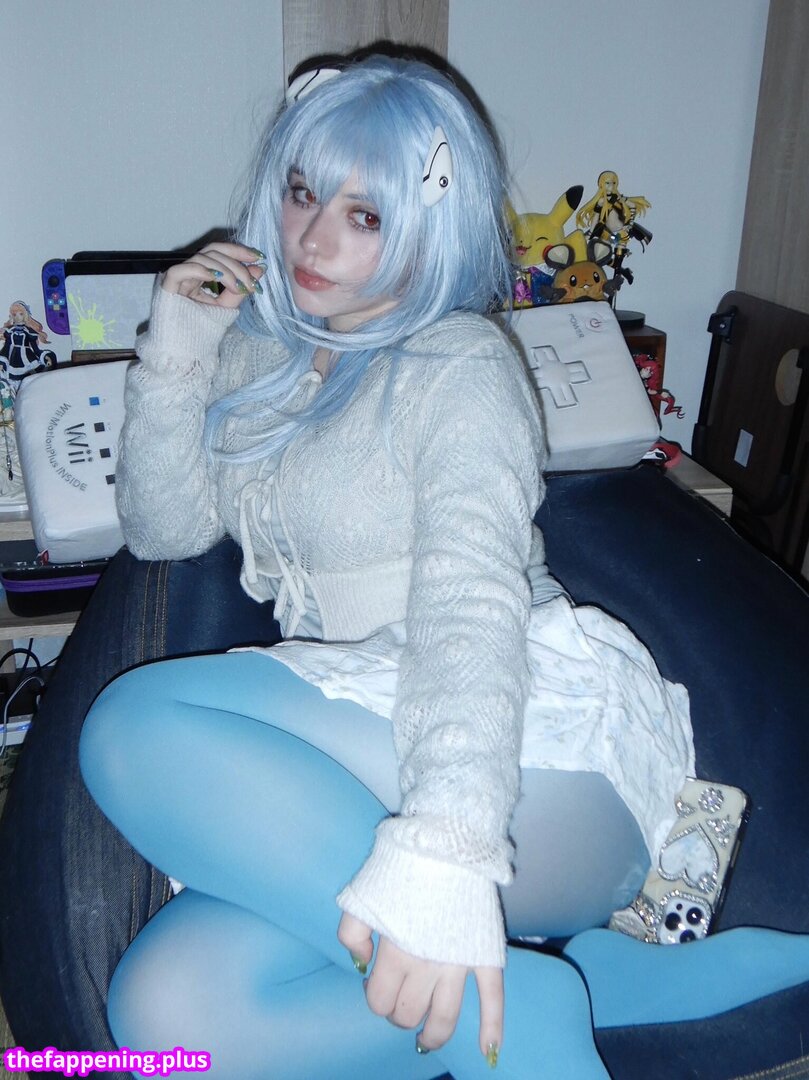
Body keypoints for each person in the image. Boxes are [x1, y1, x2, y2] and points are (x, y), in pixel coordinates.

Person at [36, 55, 809, 1079]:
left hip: (525, 766)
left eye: (365, 215)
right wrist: (176, 352)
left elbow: (467, 618)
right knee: (171, 1012)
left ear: (430, 224)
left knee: (136, 725)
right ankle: (552, 986)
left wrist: (442, 856)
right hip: (371, 762)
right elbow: (166, 531)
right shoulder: (263, 355)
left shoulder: (458, 366)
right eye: (303, 193)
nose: (313, 239)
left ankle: (505, 1000)